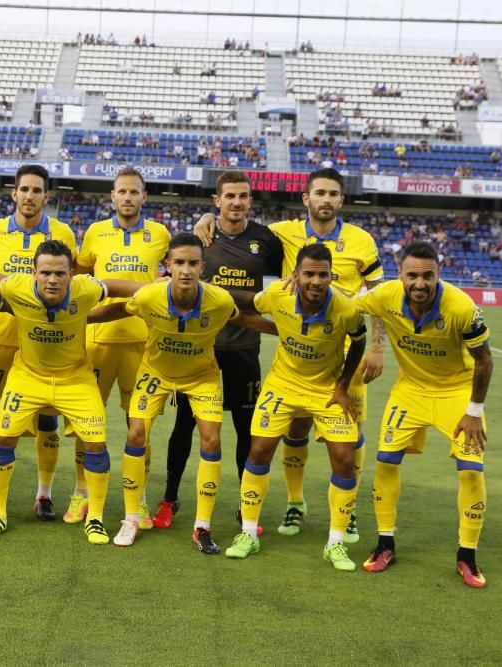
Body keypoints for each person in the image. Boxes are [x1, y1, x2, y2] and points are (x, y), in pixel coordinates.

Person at [193, 167, 385, 543]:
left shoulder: (362, 240)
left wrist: (377, 347)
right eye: (320, 193)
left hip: (346, 352)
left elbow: (377, 296)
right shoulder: (282, 233)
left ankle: (349, 512)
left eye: (333, 194)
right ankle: (295, 503)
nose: (326, 199)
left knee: (350, 436)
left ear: (341, 200)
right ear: (306, 199)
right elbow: (239, 220)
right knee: (295, 429)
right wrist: (207, 217)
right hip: (298, 353)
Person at [97, 233, 274, 554]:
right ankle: (131, 517)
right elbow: (121, 307)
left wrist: (283, 329)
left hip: (201, 377)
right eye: (179, 262)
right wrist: (80, 318)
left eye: (193, 263)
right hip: (156, 373)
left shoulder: (218, 301)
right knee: (136, 432)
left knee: (212, 439)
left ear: (202, 267)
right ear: (167, 266)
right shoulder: (151, 296)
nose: (186, 269)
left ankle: (202, 526)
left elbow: (245, 318)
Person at [0, 240, 142, 544]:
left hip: (76, 379)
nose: (53, 280)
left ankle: (95, 519)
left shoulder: (85, 289)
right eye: (46, 273)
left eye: (60, 274)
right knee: (2, 438)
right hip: (27, 376)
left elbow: (112, 287)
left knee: (95, 444)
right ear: (34, 273)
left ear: (71, 274)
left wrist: (145, 289)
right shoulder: (18, 287)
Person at [353, 241, 493, 588]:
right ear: (400, 274)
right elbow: (344, 306)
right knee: (385, 461)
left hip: (457, 392)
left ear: (438, 275)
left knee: (471, 470)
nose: (419, 283)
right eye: (412, 275)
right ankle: (386, 544)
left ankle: (467, 556)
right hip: (410, 389)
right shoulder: (385, 295)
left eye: (427, 276)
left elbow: (485, 359)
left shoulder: (461, 306)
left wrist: (474, 412)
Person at [153, 171, 283, 532]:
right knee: (185, 426)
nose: (236, 203)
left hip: (244, 347)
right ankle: (170, 498)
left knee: (245, 428)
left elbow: (269, 297)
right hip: (200, 349)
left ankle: (246, 507)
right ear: (217, 200)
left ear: (250, 201)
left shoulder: (267, 241)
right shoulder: (200, 239)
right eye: (230, 197)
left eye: (243, 197)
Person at [225, 243, 367, 572]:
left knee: (345, 459)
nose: (315, 281)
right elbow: (248, 301)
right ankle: (248, 534)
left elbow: (358, 341)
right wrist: (208, 288)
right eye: (308, 274)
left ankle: (336, 543)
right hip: (283, 385)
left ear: (332, 276)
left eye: (322, 274)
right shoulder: (278, 294)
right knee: (258, 451)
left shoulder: (347, 310)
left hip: (326, 390)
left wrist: (343, 385)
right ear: (296, 275)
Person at [0, 165, 78, 520]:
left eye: (37, 190)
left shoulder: (62, 233)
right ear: (13, 193)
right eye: (24, 189)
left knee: (48, 419)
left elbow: (72, 279)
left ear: (47, 196)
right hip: (1, 338)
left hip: (46, 342)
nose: (29, 196)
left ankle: (44, 494)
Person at [71, 168, 172, 527]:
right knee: (86, 421)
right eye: (122, 192)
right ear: (112, 196)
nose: (128, 197)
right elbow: (78, 276)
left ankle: (139, 500)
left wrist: (207, 217)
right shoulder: (96, 233)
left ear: (144, 197)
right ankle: (81, 494)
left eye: (134, 192)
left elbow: (182, 266)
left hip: (143, 344)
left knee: (139, 425)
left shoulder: (160, 235)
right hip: (97, 342)